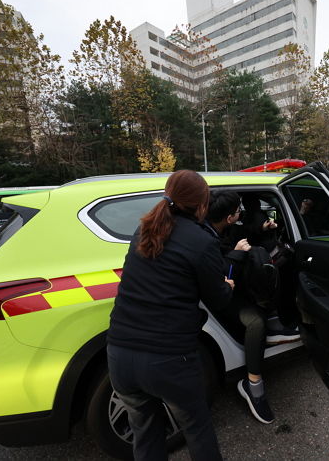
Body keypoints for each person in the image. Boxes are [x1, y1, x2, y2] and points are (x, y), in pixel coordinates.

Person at [107, 170, 234, 461]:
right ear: (202, 205)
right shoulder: (203, 242)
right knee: (197, 429)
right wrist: (227, 285)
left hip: (120, 355)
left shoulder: (144, 228)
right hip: (169, 359)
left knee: (146, 432)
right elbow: (218, 300)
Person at [206, 190, 299, 426]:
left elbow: (245, 232)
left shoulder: (223, 227)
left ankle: (274, 317)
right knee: (255, 321)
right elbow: (218, 273)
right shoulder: (203, 239)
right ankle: (253, 385)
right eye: (238, 210)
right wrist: (237, 253)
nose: (241, 213)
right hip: (218, 293)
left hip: (232, 287)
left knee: (266, 261)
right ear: (229, 217)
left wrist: (263, 230)